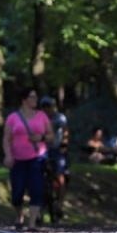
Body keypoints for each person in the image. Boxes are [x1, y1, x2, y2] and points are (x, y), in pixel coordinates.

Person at [3, 86, 52, 230]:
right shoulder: (13, 118)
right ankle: (19, 215)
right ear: (24, 99)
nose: (35, 100)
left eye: (36, 97)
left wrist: (41, 137)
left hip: (37, 157)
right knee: (17, 193)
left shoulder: (42, 116)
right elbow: (6, 138)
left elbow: (51, 136)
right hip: (18, 159)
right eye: (32, 97)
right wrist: (8, 155)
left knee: (36, 189)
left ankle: (32, 224)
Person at [39, 95, 69, 224]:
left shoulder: (60, 118)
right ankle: (39, 210)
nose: (47, 109)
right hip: (42, 150)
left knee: (60, 175)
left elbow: (66, 132)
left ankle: (60, 205)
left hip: (57, 149)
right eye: (44, 107)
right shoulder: (38, 118)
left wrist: (64, 144)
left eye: (49, 106)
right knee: (37, 177)